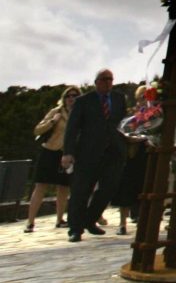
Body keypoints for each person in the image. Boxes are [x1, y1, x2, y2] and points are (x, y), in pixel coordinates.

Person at [61, 69, 128, 242]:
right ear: (96, 81)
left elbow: (123, 123)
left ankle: (89, 220)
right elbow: (72, 128)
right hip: (88, 153)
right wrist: (68, 152)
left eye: (111, 79)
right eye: (104, 79)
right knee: (81, 191)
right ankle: (75, 229)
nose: (108, 82)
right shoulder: (84, 101)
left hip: (113, 151)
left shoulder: (119, 99)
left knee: (109, 188)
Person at [24, 85, 80, 233]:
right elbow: (38, 129)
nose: (71, 98)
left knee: (63, 188)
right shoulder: (56, 112)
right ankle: (30, 222)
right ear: (64, 98)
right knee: (41, 186)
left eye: (75, 96)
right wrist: (53, 122)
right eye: (68, 96)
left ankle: (60, 219)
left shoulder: (80, 114)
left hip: (67, 154)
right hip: (49, 151)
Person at [112, 85, 150, 235]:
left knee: (144, 188)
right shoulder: (130, 115)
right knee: (125, 189)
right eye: (142, 97)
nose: (144, 100)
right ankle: (122, 223)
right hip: (130, 155)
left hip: (145, 154)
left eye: (147, 97)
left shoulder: (153, 115)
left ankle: (144, 220)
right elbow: (122, 130)